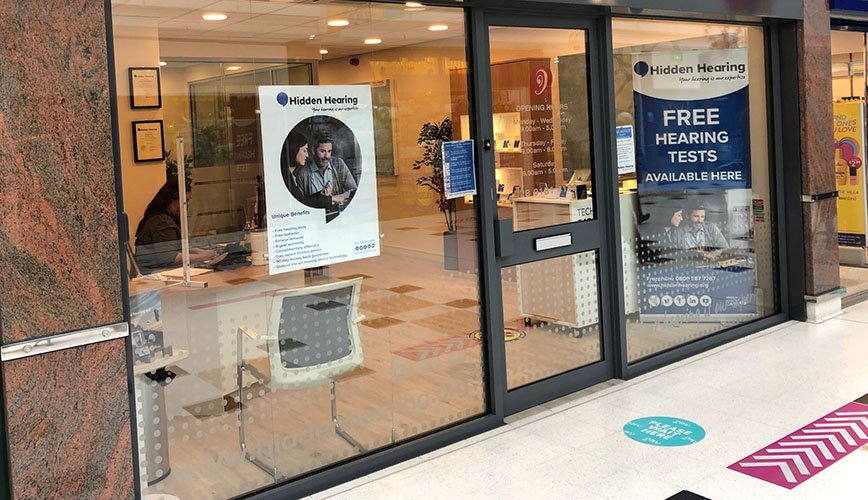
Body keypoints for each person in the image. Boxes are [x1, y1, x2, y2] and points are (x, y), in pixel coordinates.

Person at [134, 180, 218, 272]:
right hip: (153, 273)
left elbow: (176, 246)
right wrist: (202, 256)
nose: (187, 206)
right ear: (171, 200)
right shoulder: (161, 221)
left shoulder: (162, 218)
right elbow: (169, 257)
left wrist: (199, 251)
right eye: (185, 201)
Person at [295, 136, 357, 207]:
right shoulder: (302, 173)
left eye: (329, 151)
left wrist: (337, 198)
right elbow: (301, 204)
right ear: (313, 151)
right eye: (323, 151)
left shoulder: (338, 164)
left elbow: (353, 190)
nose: (327, 156)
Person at [280, 132, 335, 209]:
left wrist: (321, 194)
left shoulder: (290, 176)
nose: (307, 155)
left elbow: (303, 201)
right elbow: (300, 204)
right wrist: (331, 199)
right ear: (293, 150)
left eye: (329, 151)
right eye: (304, 150)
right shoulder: (285, 178)